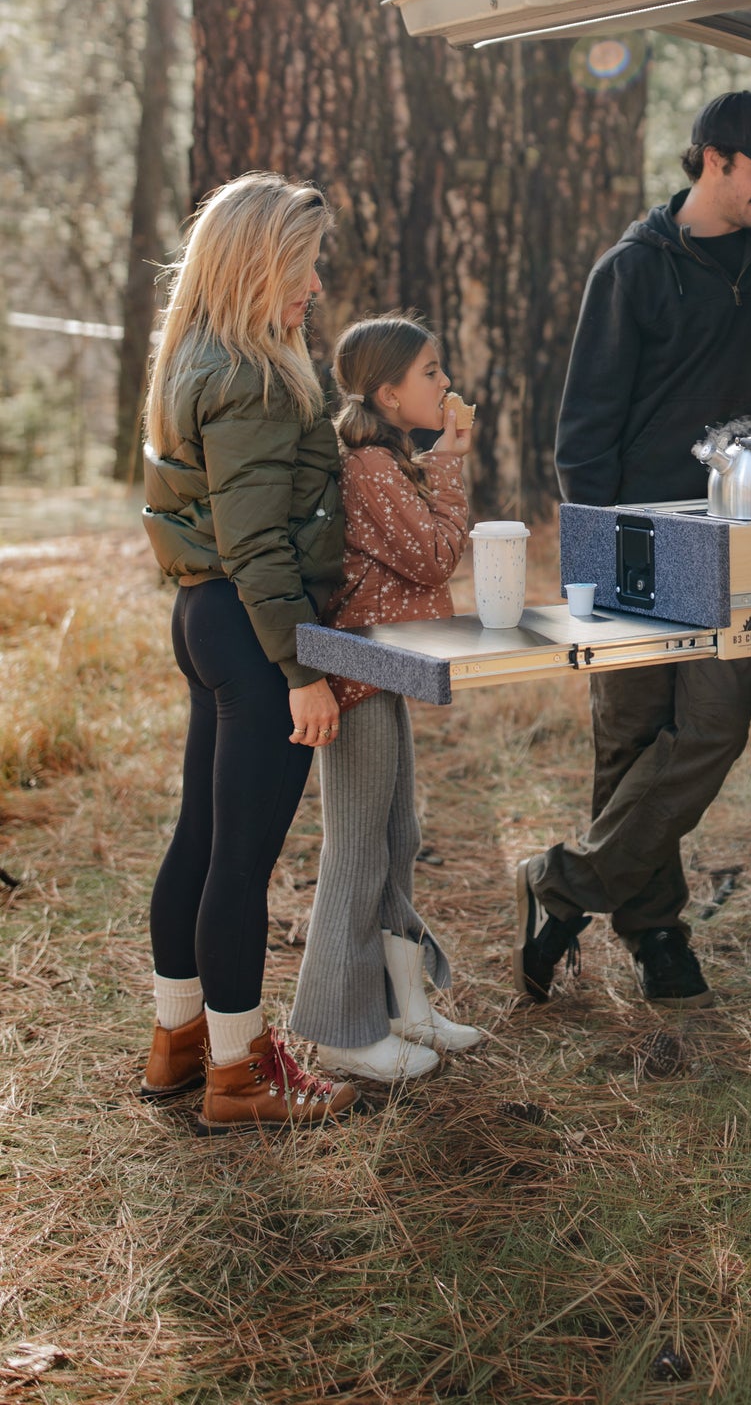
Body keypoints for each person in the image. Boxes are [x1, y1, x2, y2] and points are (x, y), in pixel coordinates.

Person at [517, 90, 751, 1010]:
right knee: (630, 734)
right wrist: (590, 556)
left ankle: (563, 883)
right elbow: (583, 428)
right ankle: (656, 929)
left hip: (746, 536)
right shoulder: (632, 270)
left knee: (712, 726)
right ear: (712, 159)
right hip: (640, 533)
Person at [140, 173, 358, 1134]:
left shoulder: (196, 353)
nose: (314, 287)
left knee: (201, 839)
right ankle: (239, 1075)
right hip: (253, 624)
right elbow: (259, 544)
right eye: (302, 267)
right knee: (241, 862)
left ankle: (180, 1041)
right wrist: (300, 671)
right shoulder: (255, 379)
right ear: (257, 264)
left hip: (207, 620)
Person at [290, 315, 483, 1084]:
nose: (444, 382)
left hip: (388, 667)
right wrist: (449, 467)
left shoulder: (387, 459)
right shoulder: (369, 464)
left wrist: (437, 462)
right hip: (359, 671)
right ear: (387, 391)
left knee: (396, 834)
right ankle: (340, 1030)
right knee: (358, 844)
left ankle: (404, 1007)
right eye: (430, 371)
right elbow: (433, 553)